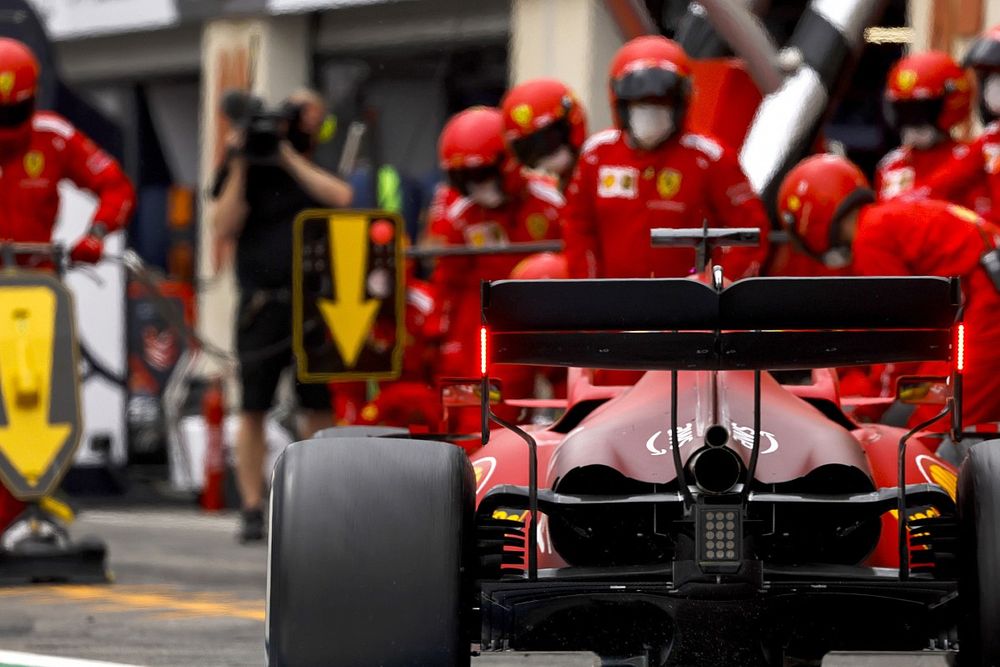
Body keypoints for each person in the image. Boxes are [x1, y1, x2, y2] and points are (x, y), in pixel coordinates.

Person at [0, 38, 135, 536]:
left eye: (15, 112)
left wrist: (95, 235)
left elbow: (115, 186)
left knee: (41, 398)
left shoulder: (53, 137)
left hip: (38, 293)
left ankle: (26, 503)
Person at [211, 88, 353, 543]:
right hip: (261, 303)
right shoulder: (243, 168)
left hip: (314, 302)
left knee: (318, 404)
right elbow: (223, 225)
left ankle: (322, 499)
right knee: (251, 406)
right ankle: (252, 506)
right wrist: (240, 162)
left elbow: (342, 198)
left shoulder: (308, 160)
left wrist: (286, 157)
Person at [776, 153, 1000, 429]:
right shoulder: (884, 220)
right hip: (979, 297)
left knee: (932, 430)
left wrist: (868, 408)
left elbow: (898, 340)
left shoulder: (870, 239)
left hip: (986, 302)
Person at [562, 35, 770, 280]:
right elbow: (578, 229)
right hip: (614, 305)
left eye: (661, 101)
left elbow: (748, 231)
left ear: (681, 101)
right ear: (620, 103)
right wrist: (589, 290)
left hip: (690, 305)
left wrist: (717, 283)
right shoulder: (596, 155)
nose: (650, 111)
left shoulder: (710, 157)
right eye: (640, 102)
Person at [428, 106, 563, 427]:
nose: (477, 186)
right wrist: (441, 338)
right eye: (467, 178)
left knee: (571, 389)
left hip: (551, 311)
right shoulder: (460, 214)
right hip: (487, 319)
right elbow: (448, 281)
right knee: (481, 408)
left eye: (483, 174)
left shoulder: (551, 202)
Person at [875, 51, 987, 214]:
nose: (912, 122)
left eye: (920, 111)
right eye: (904, 111)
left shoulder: (973, 159)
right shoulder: (889, 166)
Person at [915, 27, 1000, 218]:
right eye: (988, 78)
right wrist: (895, 209)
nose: (992, 88)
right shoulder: (992, 138)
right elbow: (945, 182)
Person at [500, 78, 588, 191]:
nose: (542, 158)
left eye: (548, 141)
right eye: (527, 149)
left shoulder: (600, 174)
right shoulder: (544, 192)